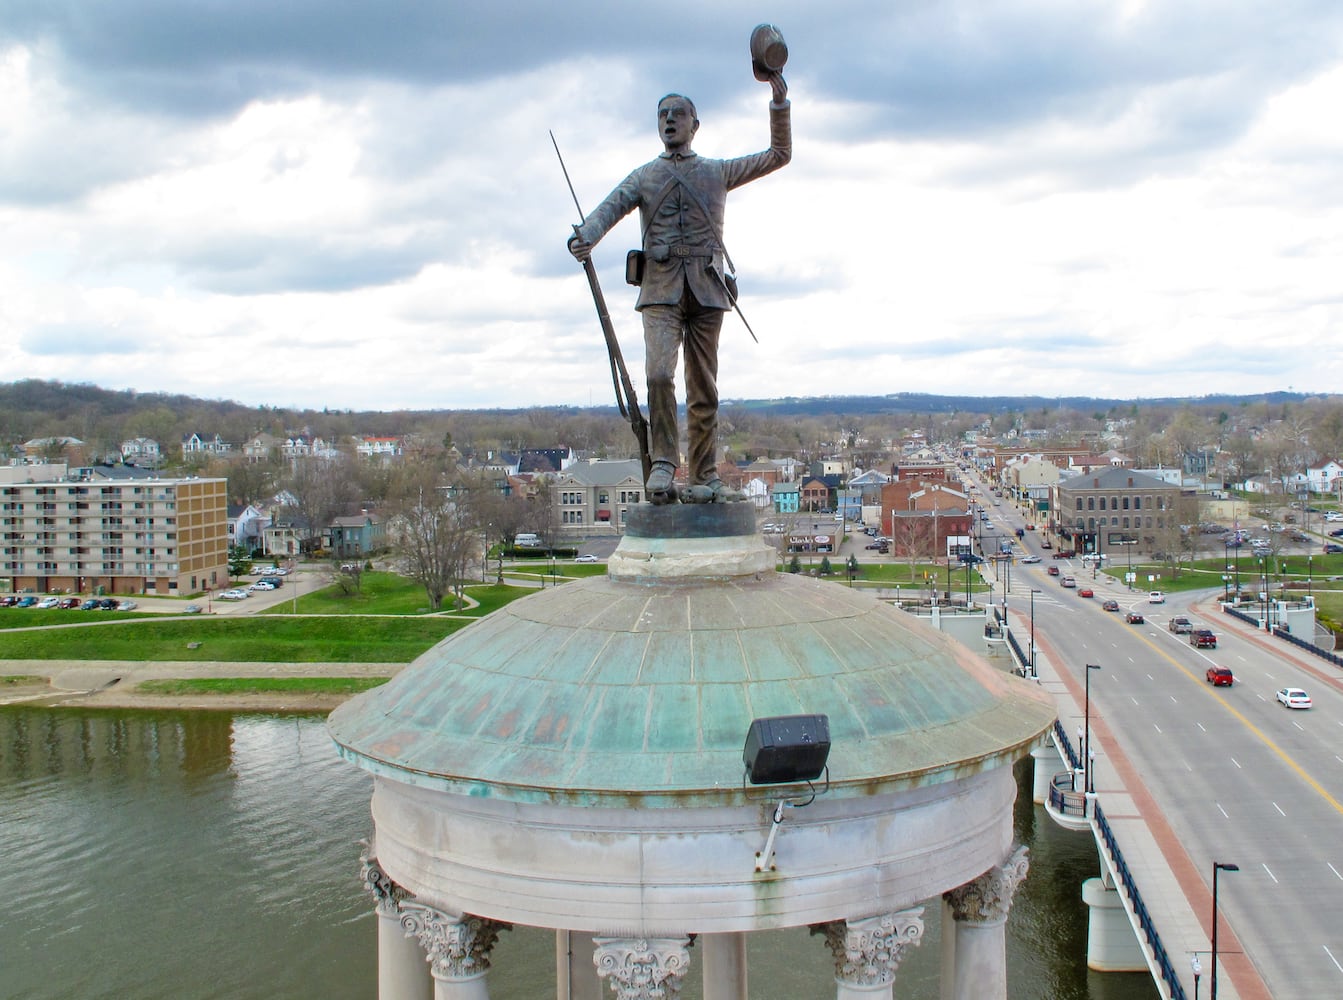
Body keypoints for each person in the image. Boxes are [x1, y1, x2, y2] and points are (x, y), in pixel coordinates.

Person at [568, 72, 791, 504]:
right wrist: (585, 236)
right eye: (662, 115)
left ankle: (705, 474)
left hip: (707, 287)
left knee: (704, 386)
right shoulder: (644, 176)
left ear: (695, 125)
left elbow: (779, 154)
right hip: (660, 288)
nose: (670, 120)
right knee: (657, 375)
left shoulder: (716, 171)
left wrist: (779, 102)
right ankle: (665, 462)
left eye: (679, 114)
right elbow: (608, 210)